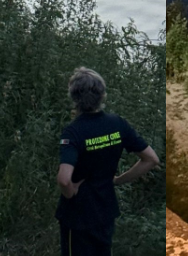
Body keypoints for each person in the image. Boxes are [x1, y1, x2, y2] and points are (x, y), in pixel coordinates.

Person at [56, 68, 159, 256]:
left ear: (74, 97)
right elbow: (151, 159)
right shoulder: (117, 123)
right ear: (102, 95)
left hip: (77, 216)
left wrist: (70, 192)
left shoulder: (73, 132)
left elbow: (64, 179)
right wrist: (118, 180)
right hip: (105, 211)